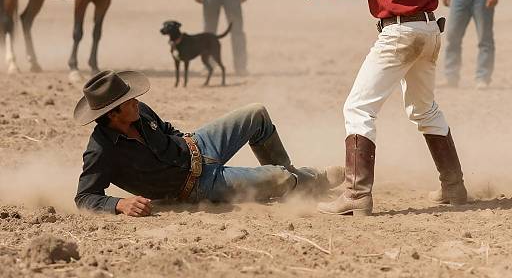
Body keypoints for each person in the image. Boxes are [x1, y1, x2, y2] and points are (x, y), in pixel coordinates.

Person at [286, 0, 467, 217]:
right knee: (424, 109)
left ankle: (356, 195)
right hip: (428, 30)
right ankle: (454, 186)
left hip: (400, 33)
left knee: (358, 109)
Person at [74, 70, 343, 216]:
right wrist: (119, 204)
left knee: (256, 112)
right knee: (279, 178)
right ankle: (308, 180)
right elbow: (85, 197)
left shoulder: (139, 111)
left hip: (199, 145)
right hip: (197, 187)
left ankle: (297, 182)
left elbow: (167, 129)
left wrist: (189, 142)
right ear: (113, 114)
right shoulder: (101, 149)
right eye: (129, 101)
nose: (137, 101)